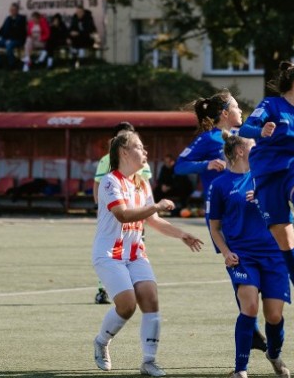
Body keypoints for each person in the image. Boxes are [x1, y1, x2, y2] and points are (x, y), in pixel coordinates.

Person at [92, 131, 203, 377]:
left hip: (135, 254)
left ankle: (149, 361)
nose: (145, 152)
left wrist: (181, 234)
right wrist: (156, 206)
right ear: (124, 152)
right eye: (140, 147)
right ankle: (101, 341)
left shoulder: (142, 183)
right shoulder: (110, 181)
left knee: (150, 298)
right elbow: (123, 214)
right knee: (127, 305)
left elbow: (153, 220)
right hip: (109, 255)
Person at [238, 61, 294, 336]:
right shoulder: (271, 106)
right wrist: (260, 131)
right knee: (288, 250)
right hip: (267, 179)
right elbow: (246, 128)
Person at [176, 89, 269, 351]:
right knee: (237, 261)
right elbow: (180, 166)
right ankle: (250, 327)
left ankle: (251, 327)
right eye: (237, 107)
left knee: (256, 264)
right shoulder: (209, 139)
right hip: (223, 213)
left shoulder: (243, 138)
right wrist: (205, 164)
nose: (242, 111)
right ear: (226, 113)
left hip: (250, 209)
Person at [208, 135, 292, 378]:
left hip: (274, 254)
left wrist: (264, 197)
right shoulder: (220, 185)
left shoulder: (266, 177)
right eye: (253, 146)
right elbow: (215, 227)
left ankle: (273, 354)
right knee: (250, 306)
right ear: (240, 151)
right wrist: (226, 252)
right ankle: (240, 370)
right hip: (243, 255)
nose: (258, 150)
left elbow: (287, 207)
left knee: (274, 315)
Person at [93, 121, 153, 305]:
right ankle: (102, 289)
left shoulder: (142, 163)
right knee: (110, 252)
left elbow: (145, 185)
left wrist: (149, 208)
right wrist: (100, 206)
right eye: (120, 137)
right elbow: (98, 183)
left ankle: (131, 286)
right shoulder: (106, 160)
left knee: (134, 249)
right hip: (116, 212)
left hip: (135, 218)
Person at [0, 3, 27, 69]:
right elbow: (2, 29)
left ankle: (12, 64)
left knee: (9, 45)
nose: (12, 11)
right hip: (6, 40)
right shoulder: (8, 18)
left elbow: (20, 32)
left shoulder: (22, 19)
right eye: (11, 9)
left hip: (17, 40)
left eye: (14, 9)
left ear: (17, 10)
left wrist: (10, 39)